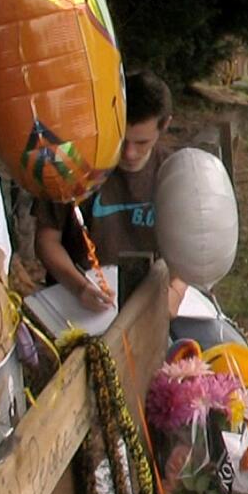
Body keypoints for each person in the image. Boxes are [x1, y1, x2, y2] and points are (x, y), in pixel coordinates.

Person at [34, 68, 187, 315]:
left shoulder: (175, 174)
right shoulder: (72, 166)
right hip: (78, 302)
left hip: (151, 302)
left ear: (165, 125)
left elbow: (190, 245)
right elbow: (46, 241)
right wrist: (80, 287)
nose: (129, 154)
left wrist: (177, 291)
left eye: (142, 143)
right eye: (121, 139)